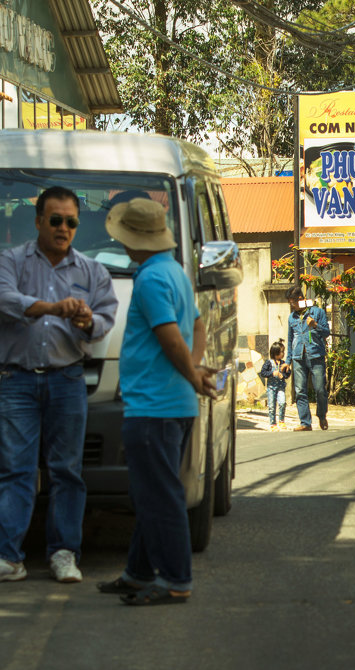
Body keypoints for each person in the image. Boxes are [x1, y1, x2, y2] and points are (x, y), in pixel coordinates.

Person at [0, 187, 118, 584]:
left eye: (71, 222)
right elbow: (3, 300)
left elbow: (105, 320)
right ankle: (8, 558)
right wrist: (53, 308)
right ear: (38, 222)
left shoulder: (92, 270)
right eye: (56, 220)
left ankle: (64, 554)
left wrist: (86, 321)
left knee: (67, 472)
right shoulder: (12, 260)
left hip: (67, 379)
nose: (63, 228)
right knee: (14, 470)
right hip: (17, 379)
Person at [95, 197, 215, 606]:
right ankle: (138, 572)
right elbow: (196, 328)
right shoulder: (175, 273)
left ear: (133, 241)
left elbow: (169, 339)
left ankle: (176, 579)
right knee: (152, 493)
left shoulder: (148, 280)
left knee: (160, 497)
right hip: (172, 403)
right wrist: (194, 371)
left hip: (153, 405)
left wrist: (191, 374)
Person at [286, 285, 330, 431]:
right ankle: (305, 422)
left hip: (316, 355)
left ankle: (322, 415)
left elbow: (326, 333)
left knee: (320, 389)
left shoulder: (317, 312)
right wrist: (287, 361)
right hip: (298, 357)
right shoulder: (291, 317)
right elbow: (290, 338)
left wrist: (315, 325)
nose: (291, 305)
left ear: (300, 299)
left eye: (292, 302)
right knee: (300, 390)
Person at [259, 339, 290, 430]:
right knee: (272, 406)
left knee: (282, 402)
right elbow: (263, 372)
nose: (283, 354)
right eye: (281, 352)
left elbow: (288, 373)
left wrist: (283, 376)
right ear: (275, 352)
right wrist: (272, 374)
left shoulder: (283, 363)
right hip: (271, 388)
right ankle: (273, 423)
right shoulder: (269, 363)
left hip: (281, 387)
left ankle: (281, 421)